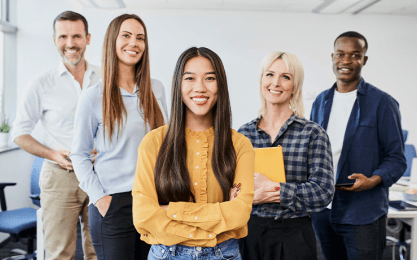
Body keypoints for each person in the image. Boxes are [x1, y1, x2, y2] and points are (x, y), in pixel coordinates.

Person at [132, 47, 255, 260]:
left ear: (220, 86)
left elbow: (239, 214)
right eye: (190, 78)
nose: (200, 88)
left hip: (223, 255)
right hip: (166, 255)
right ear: (178, 85)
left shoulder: (240, 145)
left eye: (209, 78)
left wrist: (171, 211)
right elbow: (143, 216)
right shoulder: (153, 142)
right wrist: (214, 225)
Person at [70, 14, 167, 259]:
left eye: (140, 38)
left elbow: (166, 145)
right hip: (112, 205)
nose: (133, 43)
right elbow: (79, 155)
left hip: (151, 202)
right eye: (126, 35)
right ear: (112, 41)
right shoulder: (93, 96)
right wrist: (100, 198)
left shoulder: (157, 89)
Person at [310, 31, 407, 260]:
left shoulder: (382, 103)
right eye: (341, 54)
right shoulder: (320, 101)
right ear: (332, 57)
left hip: (363, 214)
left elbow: (396, 158)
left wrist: (372, 180)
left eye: (355, 55)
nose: (346, 61)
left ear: (364, 60)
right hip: (324, 212)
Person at [12, 11, 98, 260]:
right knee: (59, 254)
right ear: (54, 40)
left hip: (101, 174)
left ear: (87, 38)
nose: (70, 43)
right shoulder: (41, 84)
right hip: (61, 176)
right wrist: (52, 153)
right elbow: (19, 133)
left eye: (76, 36)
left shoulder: (106, 78)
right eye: (63, 36)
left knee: (100, 252)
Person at [238, 51, 334, 260]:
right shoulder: (242, 135)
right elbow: (230, 189)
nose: (276, 83)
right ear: (262, 80)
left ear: (295, 86)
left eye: (286, 77)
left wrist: (274, 189)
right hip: (249, 234)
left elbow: (323, 192)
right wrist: (250, 196)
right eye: (270, 74)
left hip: (294, 236)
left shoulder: (313, 134)